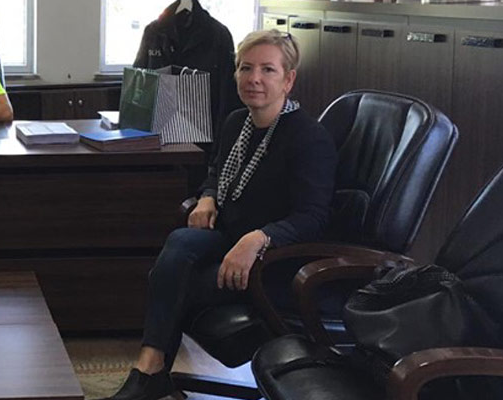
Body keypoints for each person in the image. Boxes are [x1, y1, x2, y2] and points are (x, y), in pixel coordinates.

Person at [106, 30, 337, 400]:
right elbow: (216, 171)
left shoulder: (309, 138)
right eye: (246, 68)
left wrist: (259, 238)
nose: (254, 78)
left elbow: (313, 217)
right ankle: (151, 367)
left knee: (175, 280)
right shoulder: (236, 123)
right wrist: (208, 197)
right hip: (229, 233)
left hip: (274, 257)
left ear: (288, 80)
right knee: (180, 242)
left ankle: (150, 372)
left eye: (268, 70)